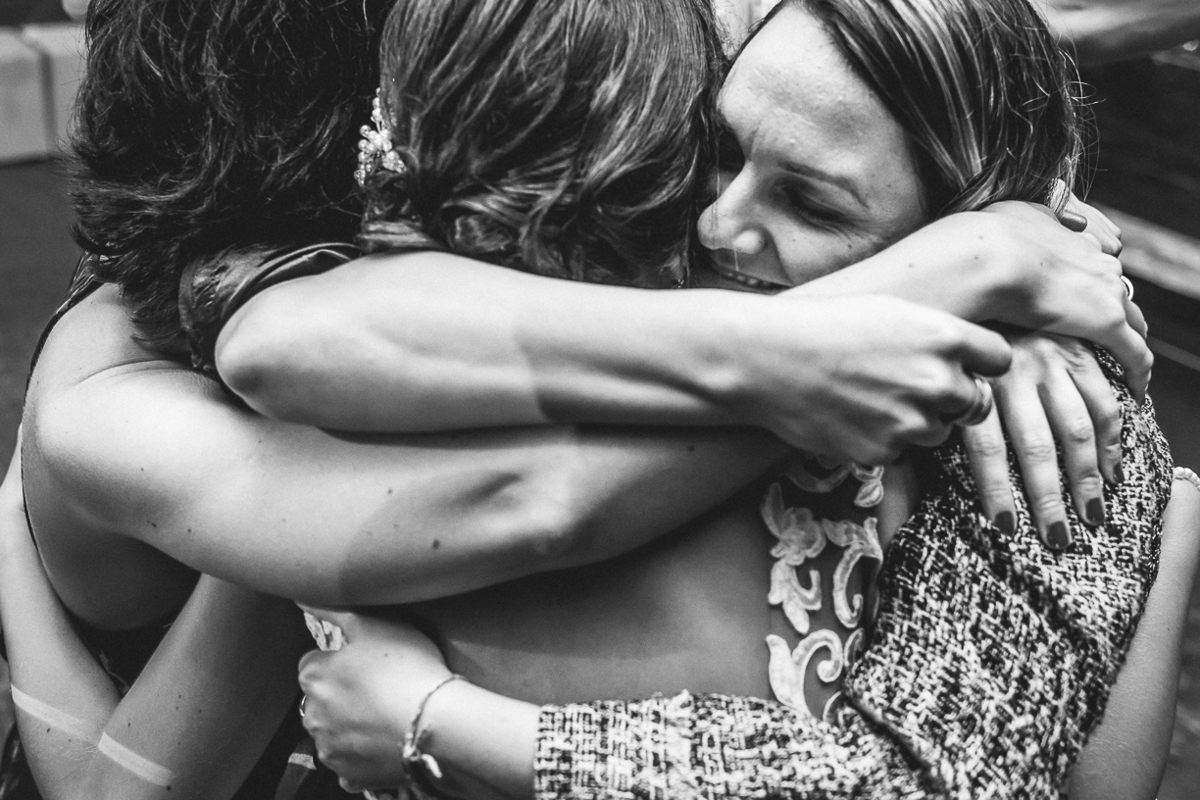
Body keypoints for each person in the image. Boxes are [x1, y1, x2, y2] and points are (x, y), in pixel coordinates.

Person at [4, 1, 1167, 800]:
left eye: (812, 198)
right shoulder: (170, 396)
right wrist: (956, 271)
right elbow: (499, 478)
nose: (710, 224)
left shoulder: (1065, 447)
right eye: (705, 154)